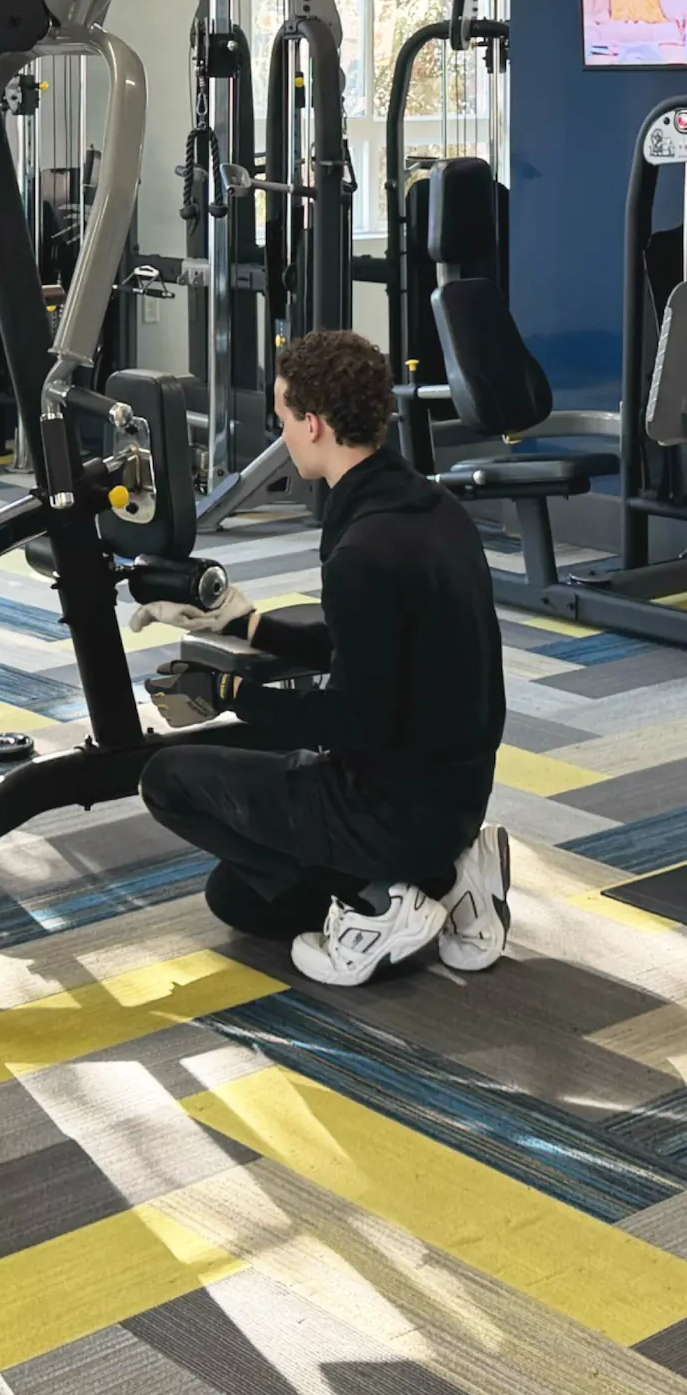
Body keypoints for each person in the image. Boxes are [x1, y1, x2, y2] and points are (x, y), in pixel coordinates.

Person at [133, 329, 509, 987]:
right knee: (237, 894)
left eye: (282, 420)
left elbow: (350, 721)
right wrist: (243, 623)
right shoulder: (432, 509)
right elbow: (363, 648)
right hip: (457, 794)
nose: (280, 435)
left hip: (391, 806)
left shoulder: (363, 550)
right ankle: (444, 875)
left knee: (167, 780)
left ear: (313, 424)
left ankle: (378, 901)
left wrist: (220, 694)